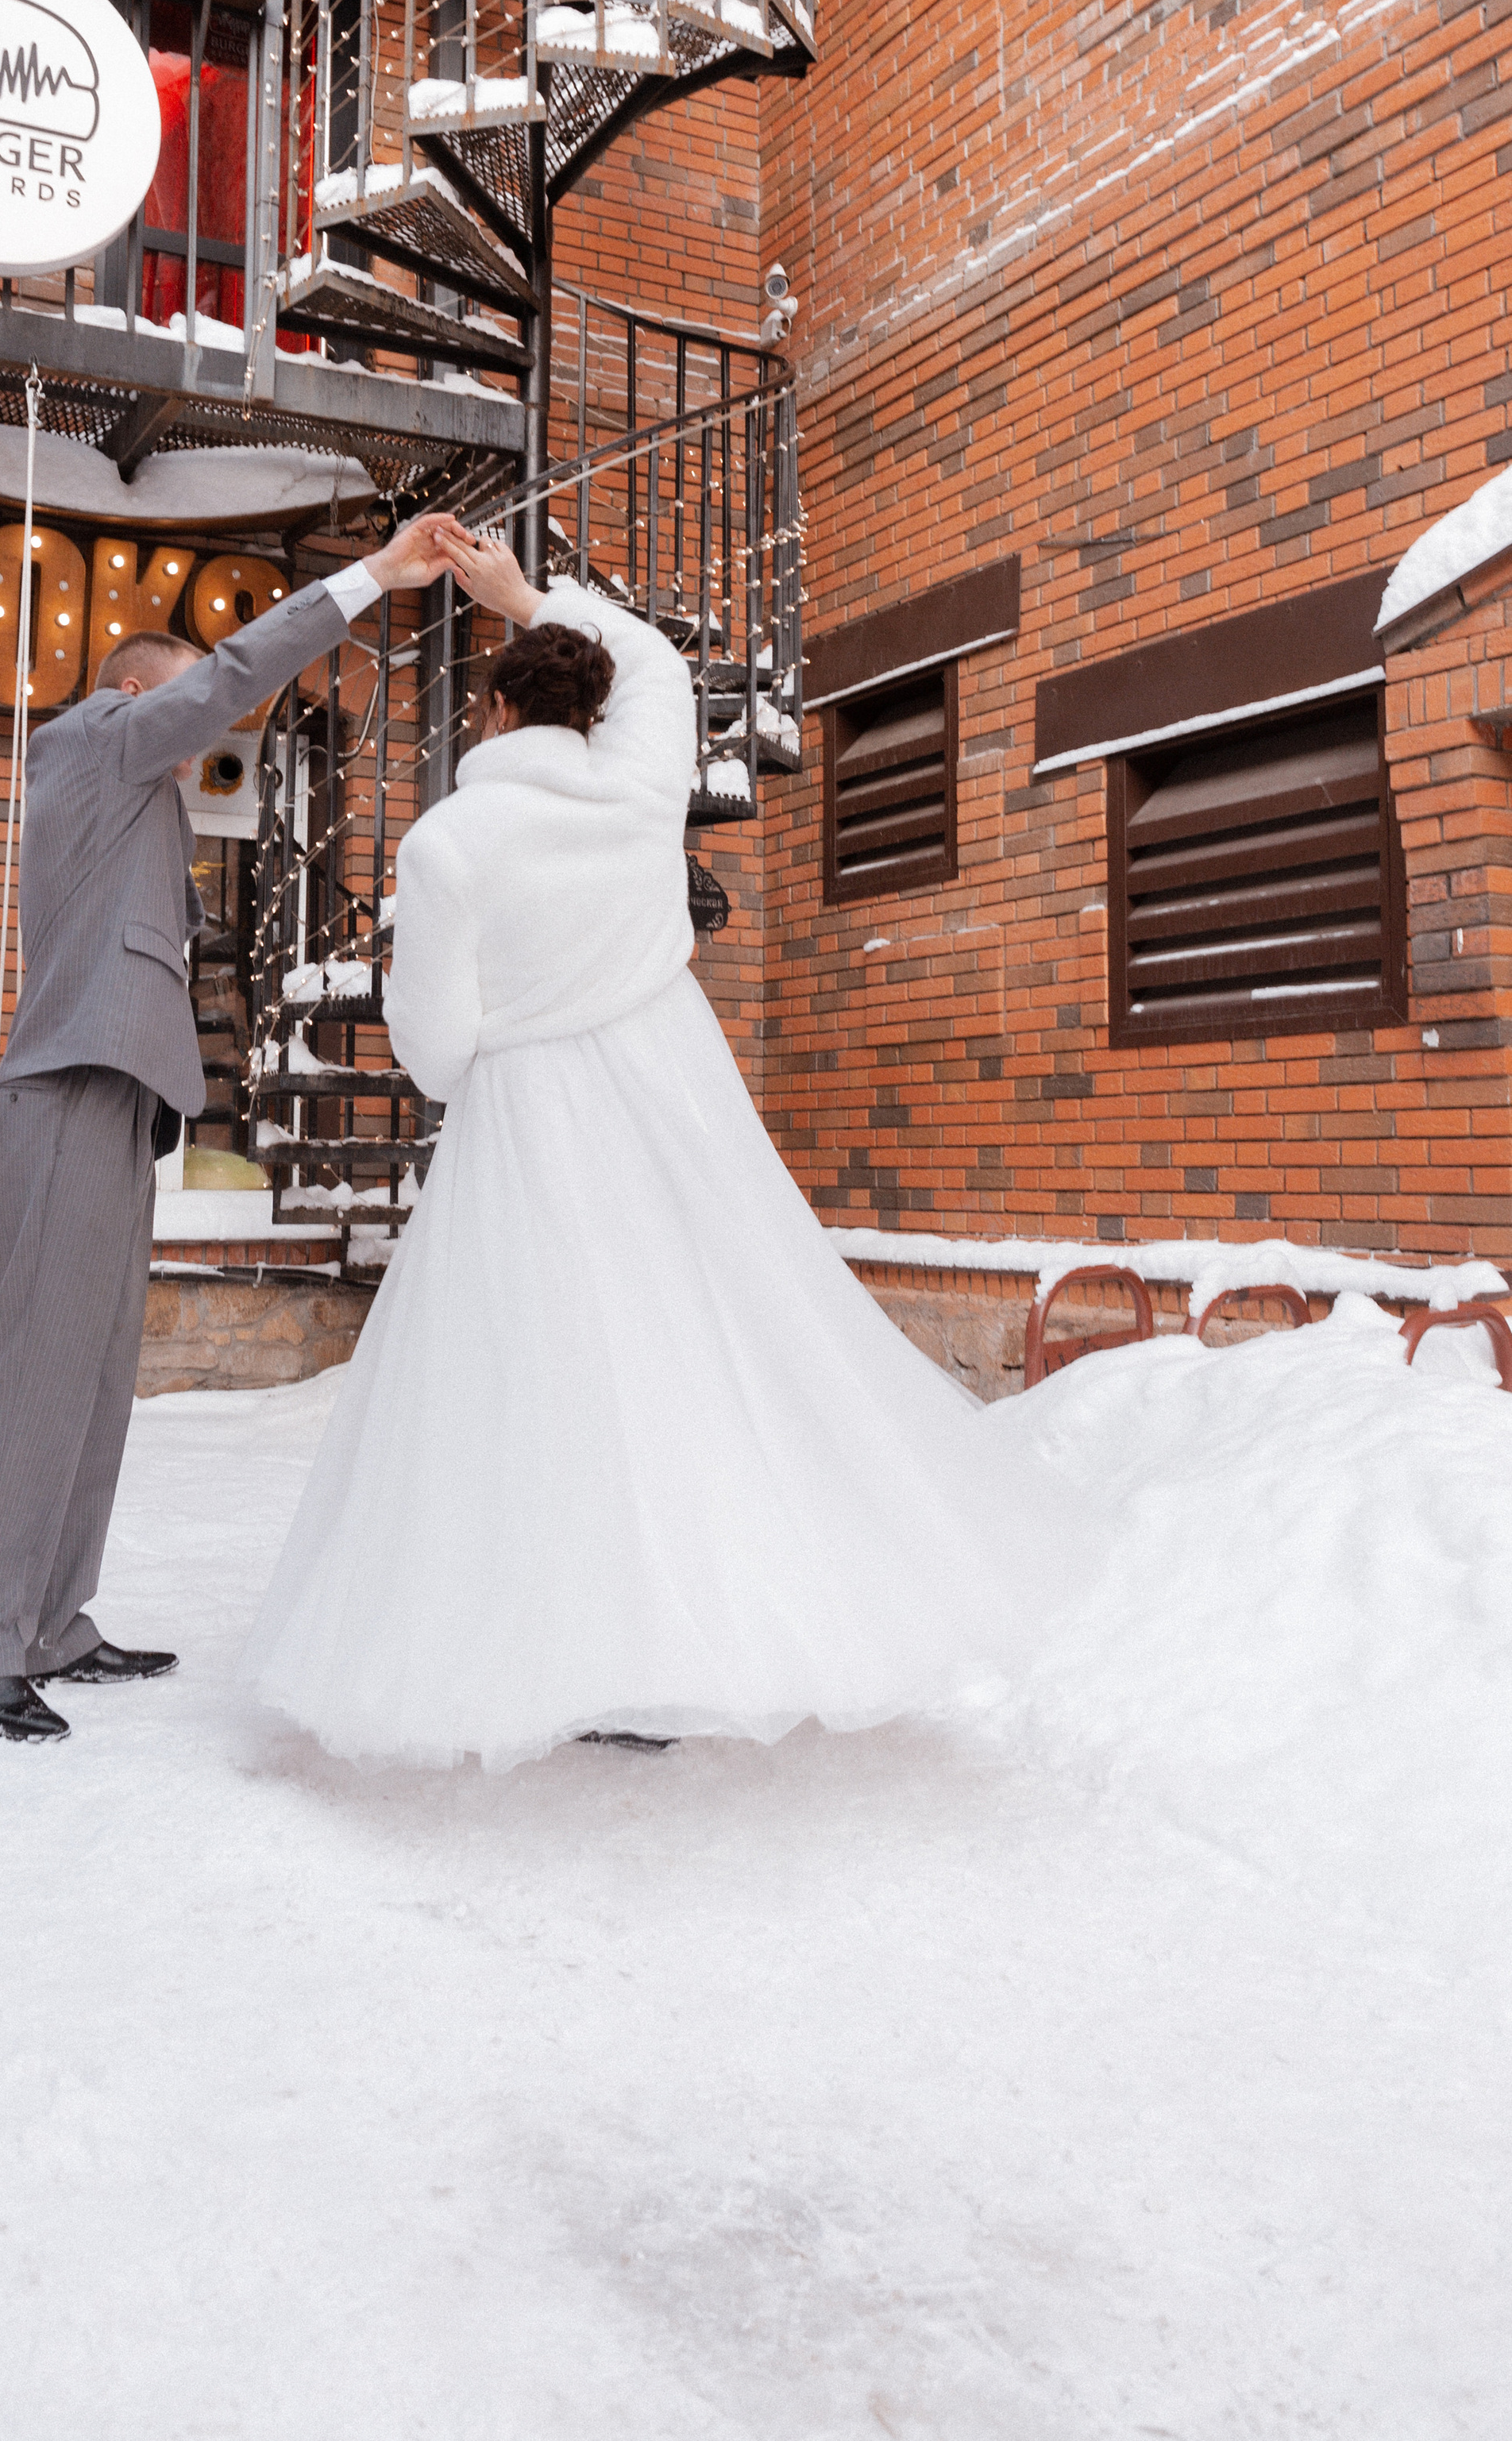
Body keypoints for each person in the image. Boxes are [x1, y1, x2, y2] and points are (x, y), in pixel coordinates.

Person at [241, 526, 1087, 1770]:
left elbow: (430, 1049)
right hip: (665, 1090)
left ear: (492, 712)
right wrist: (524, 594)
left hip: (530, 1121)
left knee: (539, 1374)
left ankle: (562, 1642)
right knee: (681, 1349)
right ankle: (679, 1638)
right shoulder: (638, 785)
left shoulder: (447, 847)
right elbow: (655, 665)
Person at [0, 510, 451, 1744]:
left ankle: (49, 1623)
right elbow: (227, 678)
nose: (206, 735)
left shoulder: (138, 797)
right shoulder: (93, 743)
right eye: (182, 709)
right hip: (66, 1086)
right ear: (128, 695)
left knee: (96, 1379)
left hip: (114, 1097)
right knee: (38, 1373)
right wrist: (374, 577)